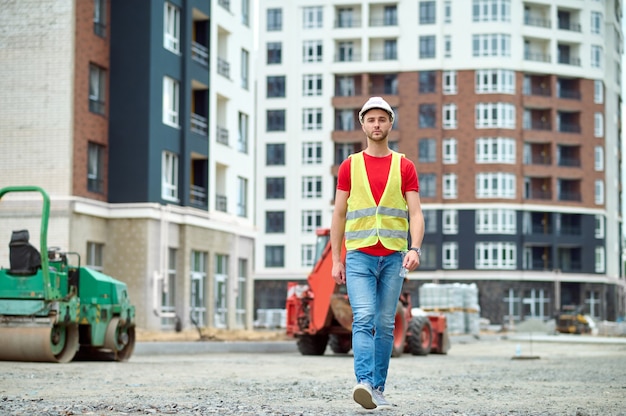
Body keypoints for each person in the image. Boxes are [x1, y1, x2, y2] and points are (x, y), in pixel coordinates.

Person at [330, 96, 425, 409]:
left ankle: (378, 389)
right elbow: (339, 214)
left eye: (382, 119)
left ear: (390, 124)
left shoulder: (404, 166)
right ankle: (364, 382)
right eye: (371, 120)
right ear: (362, 124)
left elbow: (416, 213)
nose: (376, 125)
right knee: (364, 316)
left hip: (394, 257)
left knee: (385, 323)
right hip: (358, 256)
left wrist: (415, 248)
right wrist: (335, 259)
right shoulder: (350, 166)